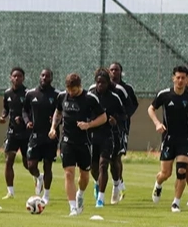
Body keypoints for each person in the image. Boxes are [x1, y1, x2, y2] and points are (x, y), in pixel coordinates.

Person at [49, 73, 106, 217]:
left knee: (84, 176)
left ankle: (80, 194)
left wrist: (88, 125)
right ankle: (73, 207)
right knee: (69, 173)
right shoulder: (62, 96)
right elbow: (58, 112)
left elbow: (103, 117)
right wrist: (53, 127)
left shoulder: (90, 98)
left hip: (84, 142)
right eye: (68, 89)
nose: (71, 93)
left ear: (79, 86)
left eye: (73, 90)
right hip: (67, 141)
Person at [148, 65, 188, 212]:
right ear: (173, 78)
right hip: (169, 139)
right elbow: (151, 109)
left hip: (185, 139)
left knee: (182, 171)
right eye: (178, 77)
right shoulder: (165, 95)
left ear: (187, 79)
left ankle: (176, 203)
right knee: (166, 173)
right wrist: (157, 123)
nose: (180, 80)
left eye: (183, 78)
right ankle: (158, 184)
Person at [88, 69, 126, 208]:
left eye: (103, 82)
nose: (100, 85)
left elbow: (123, 115)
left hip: (108, 135)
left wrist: (115, 120)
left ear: (108, 83)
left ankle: (101, 198)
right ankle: (97, 183)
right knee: (93, 167)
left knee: (104, 164)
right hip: (92, 136)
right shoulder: (90, 97)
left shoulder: (114, 98)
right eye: (98, 82)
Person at [23, 68, 59, 204]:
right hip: (35, 135)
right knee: (31, 165)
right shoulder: (31, 94)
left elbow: (61, 113)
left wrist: (55, 124)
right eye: (43, 75)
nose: (44, 78)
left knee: (48, 165)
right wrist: (27, 121)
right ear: (40, 76)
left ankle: (46, 195)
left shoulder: (57, 95)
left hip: (50, 136)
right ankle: (39, 177)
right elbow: (24, 110)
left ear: (51, 78)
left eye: (47, 76)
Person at [108, 62, 138, 200]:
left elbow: (133, 105)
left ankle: (118, 183)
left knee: (117, 156)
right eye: (112, 69)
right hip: (105, 128)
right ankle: (119, 182)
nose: (114, 72)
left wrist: (123, 116)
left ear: (121, 72)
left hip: (121, 128)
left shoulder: (127, 88)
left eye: (117, 69)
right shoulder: (103, 87)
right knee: (107, 158)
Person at [0, 67, 30, 199]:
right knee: (9, 160)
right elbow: (6, 109)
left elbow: (31, 112)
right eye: (14, 76)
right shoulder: (7, 93)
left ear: (23, 78)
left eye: (19, 76)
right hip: (12, 131)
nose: (17, 78)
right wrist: (3, 116)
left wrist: (23, 120)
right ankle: (10, 192)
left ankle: (38, 176)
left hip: (25, 132)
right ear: (10, 78)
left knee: (27, 163)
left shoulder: (28, 94)